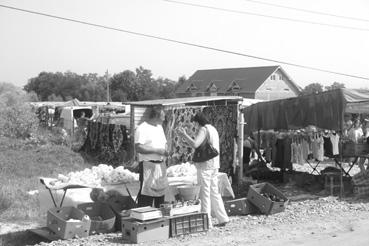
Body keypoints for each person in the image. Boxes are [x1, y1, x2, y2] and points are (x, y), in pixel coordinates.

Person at [177, 112, 229, 228]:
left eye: (194, 123)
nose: (194, 125)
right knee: (214, 192)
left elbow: (196, 144)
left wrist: (184, 135)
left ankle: (207, 221)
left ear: (197, 122)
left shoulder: (203, 130)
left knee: (204, 194)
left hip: (205, 165)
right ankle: (222, 217)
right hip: (214, 164)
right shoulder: (213, 129)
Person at [135, 106, 170, 208]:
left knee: (160, 196)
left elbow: (164, 143)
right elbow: (138, 147)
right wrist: (157, 150)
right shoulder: (142, 128)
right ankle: (145, 219)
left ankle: (160, 219)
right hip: (148, 165)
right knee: (146, 197)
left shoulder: (159, 128)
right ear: (156, 116)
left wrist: (166, 151)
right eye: (163, 116)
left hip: (160, 165)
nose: (164, 118)